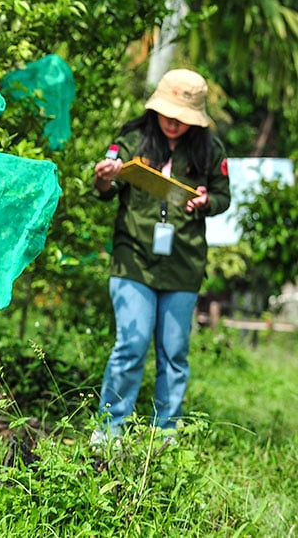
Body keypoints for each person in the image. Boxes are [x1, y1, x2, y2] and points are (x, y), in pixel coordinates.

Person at [92, 68, 230, 442]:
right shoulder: (132, 138)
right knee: (132, 344)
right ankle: (109, 432)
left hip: (183, 263)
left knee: (174, 353)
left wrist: (206, 201)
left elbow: (223, 197)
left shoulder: (210, 149)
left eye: (182, 118)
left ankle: (165, 437)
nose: (172, 123)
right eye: (168, 114)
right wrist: (105, 176)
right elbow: (103, 189)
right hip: (132, 257)